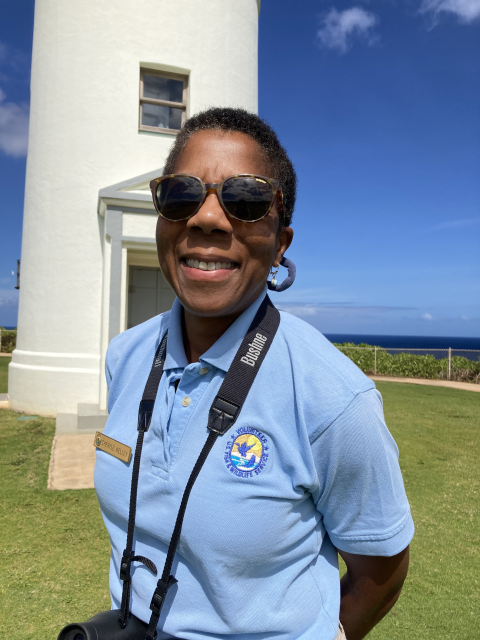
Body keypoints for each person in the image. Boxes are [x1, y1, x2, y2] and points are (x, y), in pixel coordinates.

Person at [95, 107, 414, 640]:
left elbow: (380, 570)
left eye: (245, 199)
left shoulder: (335, 400)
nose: (207, 218)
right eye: (181, 194)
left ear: (280, 244)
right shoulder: (126, 356)